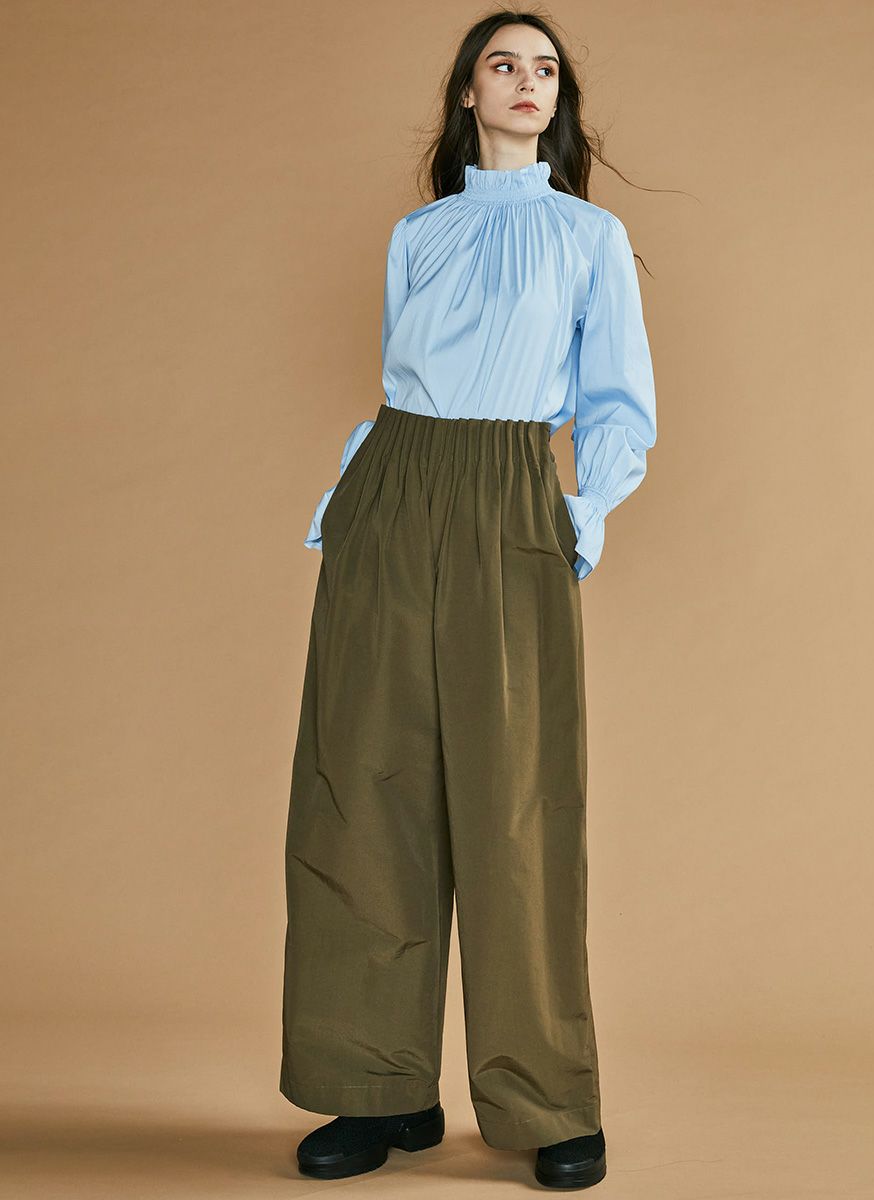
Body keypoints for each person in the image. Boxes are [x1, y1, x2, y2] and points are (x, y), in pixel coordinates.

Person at [279, 11, 657, 1190]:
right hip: (395, 490)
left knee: (516, 803)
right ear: (467, 93)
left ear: (558, 100)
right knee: (364, 789)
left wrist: (581, 511)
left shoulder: (589, 237)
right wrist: (352, 499)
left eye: (546, 70)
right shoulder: (420, 233)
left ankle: (545, 1099)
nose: (527, 83)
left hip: (509, 495)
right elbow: (401, 380)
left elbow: (617, 400)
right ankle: (376, 1089)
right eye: (505, 65)